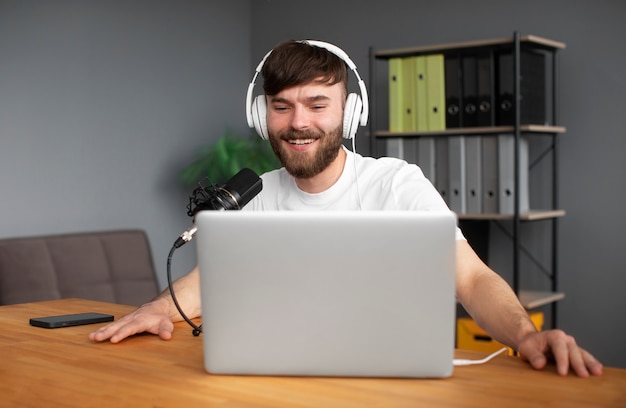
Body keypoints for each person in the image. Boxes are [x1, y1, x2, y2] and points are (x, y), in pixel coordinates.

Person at [89, 40, 603, 378]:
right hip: (275, 386)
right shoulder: (255, 193)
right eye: (282, 106)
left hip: (390, 387)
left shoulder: (397, 184)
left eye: (317, 104)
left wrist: (527, 337)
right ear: (260, 114)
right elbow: (205, 284)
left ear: (349, 113)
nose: (298, 123)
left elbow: (470, 280)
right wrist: (157, 309)